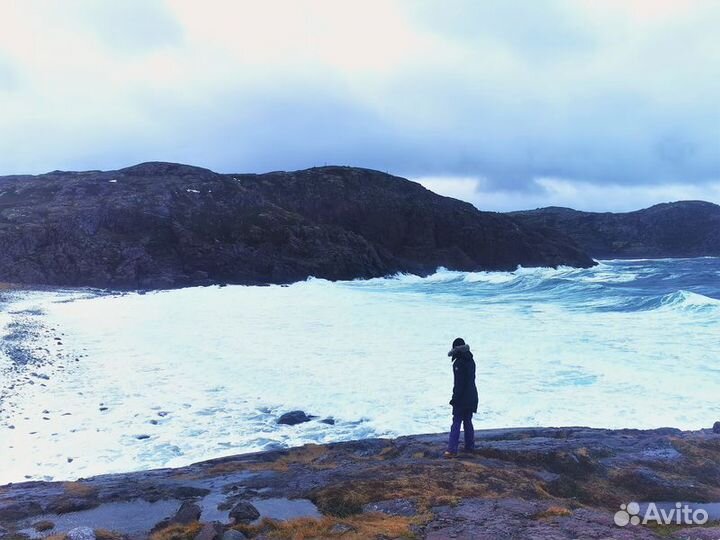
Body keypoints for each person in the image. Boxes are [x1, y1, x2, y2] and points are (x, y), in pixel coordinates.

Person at [445, 337, 478, 457]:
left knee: (456, 422)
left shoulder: (458, 363)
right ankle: (470, 447)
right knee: (468, 421)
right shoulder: (471, 360)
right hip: (472, 396)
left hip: (462, 398)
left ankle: (452, 450)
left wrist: (455, 399)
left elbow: (459, 384)